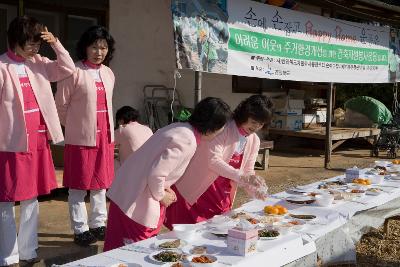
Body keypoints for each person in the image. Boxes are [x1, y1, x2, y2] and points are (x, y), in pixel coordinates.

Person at [103, 97, 231, 251]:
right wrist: (161, 195)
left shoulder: (180, 128)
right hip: (136, 200)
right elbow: (156, 174)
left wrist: (164, 188)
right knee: (133, 249)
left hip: (127, 193)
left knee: (116, 247)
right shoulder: (187, 140)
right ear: (212, 127)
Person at [0, 16, 75, 266]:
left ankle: (28, 250)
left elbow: (67, 69)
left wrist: (56, 44)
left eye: (36, 44)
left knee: (32, 198)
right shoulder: (1, 67)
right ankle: (8, 255)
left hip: (38, 141)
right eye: (29, 44)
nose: (34, 49)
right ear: (15, 41)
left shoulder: (40, 63)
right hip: (10, 145)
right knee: (6, 200)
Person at [165, 95, 272, 227]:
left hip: (222, 192)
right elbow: (213, 160)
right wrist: (243, 177)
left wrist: (255, 188)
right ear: (245, 115)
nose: (256, 127)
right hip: (200, 185)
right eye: (254, 122)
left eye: (261, 124)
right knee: (187, 228)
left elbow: (248, 170)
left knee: (217, 229)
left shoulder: (254, 140)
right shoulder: (224, 128)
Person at [55, 26, 115, 246]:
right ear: (84, 47)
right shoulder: (73, 72)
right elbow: (60, 106)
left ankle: (99, 223)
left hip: (104, 137)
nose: (99, 52)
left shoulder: (108, 73)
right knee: (78, 186)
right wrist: (75, 128)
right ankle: (80, 228)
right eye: (94, 46)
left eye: (103, 47)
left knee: (101, 184)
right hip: (81, 139)